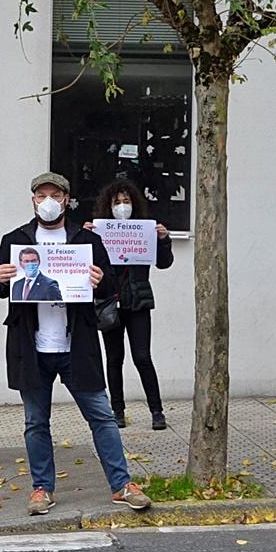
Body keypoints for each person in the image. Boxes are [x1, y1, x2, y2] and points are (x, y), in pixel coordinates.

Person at [0, 172, 151, 516]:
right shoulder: (15, 239)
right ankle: (41, 489)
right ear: (32, 200)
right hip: (32, 349)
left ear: (66, 199)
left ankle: (122, 485)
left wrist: (100, 279)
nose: (48, 201)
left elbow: (108, 291)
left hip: (76, 346)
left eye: (55, 195)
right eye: (41, 195)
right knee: (35, 422)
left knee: (103, 417)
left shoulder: (85, 240)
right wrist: (0, 279)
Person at [87, 179, 174, 431]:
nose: (122, 207)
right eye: (117, 203)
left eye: (126, 202)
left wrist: (164, 240)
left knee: (142, 357)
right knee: (114, 359)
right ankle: (117, 411)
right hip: (110, 302)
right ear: (108, 206)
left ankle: (157, 411)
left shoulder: (145, 231)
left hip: (139, 302)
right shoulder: (100, 233)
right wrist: (86, 236)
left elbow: (164, 263)